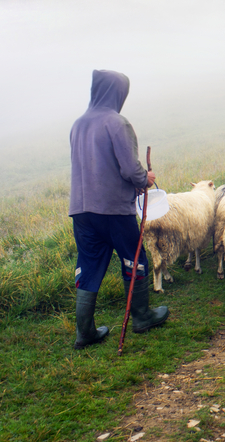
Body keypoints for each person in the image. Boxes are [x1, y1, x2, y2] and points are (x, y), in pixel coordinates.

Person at [69, 69, 169, 349]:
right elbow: (129, 169)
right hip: (112, 209)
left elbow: (96, 166)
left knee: (88, 264)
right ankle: (142, 317)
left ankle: (85, 332)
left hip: (81, 210)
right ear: (117, 93)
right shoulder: (116, 123)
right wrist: (144, 179)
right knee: (133, 259)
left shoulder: (78, 124)